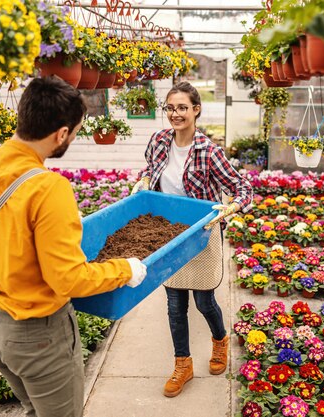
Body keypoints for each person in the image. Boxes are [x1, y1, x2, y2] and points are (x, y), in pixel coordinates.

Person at [0, 76, 147, 417]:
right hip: (37, 336)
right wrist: (124, 268)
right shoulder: (48, 187)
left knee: (34, 409)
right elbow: (69, 280)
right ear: (62, 134)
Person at [132, 81, 253, 397]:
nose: (175, 114)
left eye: (182, 107)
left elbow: (243, 188)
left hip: (201, 233)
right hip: (168, 233)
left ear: (196, 110)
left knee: (203, 300)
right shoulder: (159, 141)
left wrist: (230, 208)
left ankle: (220, 340)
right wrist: (143, 181)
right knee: (174, 305)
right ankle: (182, 365)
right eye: (170, 108)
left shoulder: (209, 151)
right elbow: (151, 170)